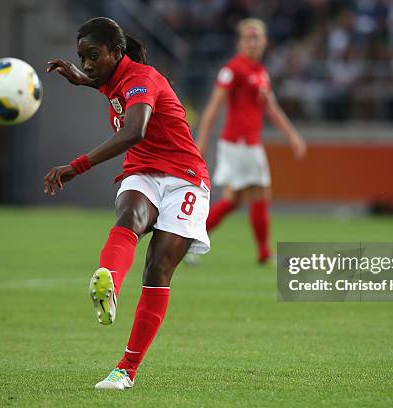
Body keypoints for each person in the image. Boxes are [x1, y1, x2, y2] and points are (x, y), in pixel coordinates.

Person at [43, 17, 210, 390]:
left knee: (157, 268)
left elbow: (134, 129)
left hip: (186, 177)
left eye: (93, 56)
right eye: (81, 57)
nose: (87, 63)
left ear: (116, 53)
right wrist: (82, 79)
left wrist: (77, 166)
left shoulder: (142, 78)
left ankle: (126, 369)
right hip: (143, 172)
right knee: (130, 214)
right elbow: (106, 85)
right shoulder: (112, 77)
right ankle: (110, 285)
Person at [194, 18, 306, 264]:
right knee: (260, 193)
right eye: (248, 38)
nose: (252, 42)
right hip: (239, 142)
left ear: (265, 42)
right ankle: (264, 252)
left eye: (257, 38)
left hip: (247, 143)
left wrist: (292, 135)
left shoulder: (260, 72)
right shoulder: (234, 69)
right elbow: (214, 106)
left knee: (233, 200)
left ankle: (191, 241)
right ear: (240, 42)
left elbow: (272, 108)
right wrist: (201, 141)